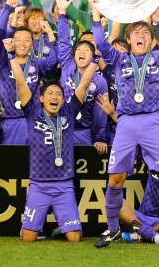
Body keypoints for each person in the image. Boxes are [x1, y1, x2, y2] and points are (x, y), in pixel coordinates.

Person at [89, 0, 159, 249]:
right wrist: (94, 10)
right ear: (129, 38)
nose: (140, 34)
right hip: (125, 123)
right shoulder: (119, 59)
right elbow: (99, 40)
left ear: (151, 40)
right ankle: (113, 229)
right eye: (135, 31)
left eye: (145, 33)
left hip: (152, 122)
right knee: (115, 179)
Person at [14, 56, 98, 243]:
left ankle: (62, 228)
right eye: (50, 94)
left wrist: (95, 60)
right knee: (28, 238)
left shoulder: (68, 111)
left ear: (63, 99)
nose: (54, 97)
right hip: (39, 184)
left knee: (75, 238)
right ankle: (33, 227)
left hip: (64, 185)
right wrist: (12, 57)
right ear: (41, 98)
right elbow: (21, 83)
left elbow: (84, 84)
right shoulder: (32, 112)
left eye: (59, 94)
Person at [0, 0, 57, 145]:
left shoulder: (37, 63)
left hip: (34, 122)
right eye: (18, 40)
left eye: (27, 40)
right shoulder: (4, 62)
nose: (22, 44)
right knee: (13, 166)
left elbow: (53, 61)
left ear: (32, 45)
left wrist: (51, 35)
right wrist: (6, 9)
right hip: (10, 123)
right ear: (12, 42)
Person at [56, 0, 108, 153]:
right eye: (79, 49)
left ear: (94, 56)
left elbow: (101, 112)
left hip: (84, 133)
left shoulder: (100, 81)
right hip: (61, 129)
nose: (82, 52)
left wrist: (100, 137)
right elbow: (63, 41)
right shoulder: (67, 66)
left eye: (87, 50)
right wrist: (63, 13)